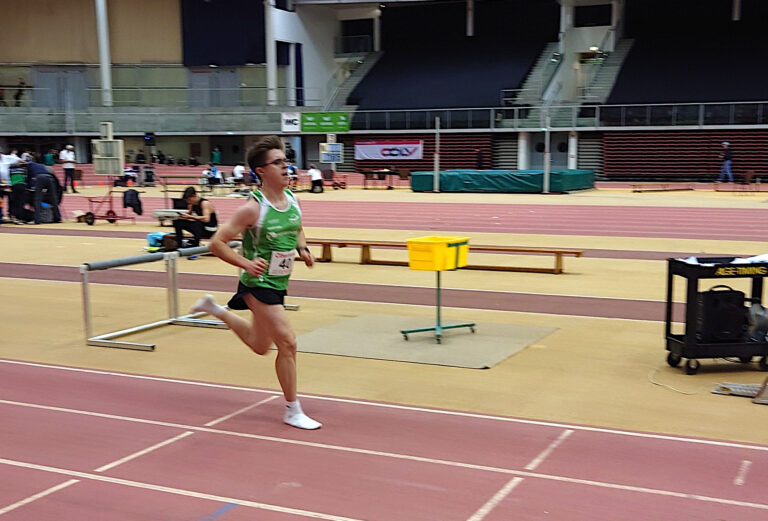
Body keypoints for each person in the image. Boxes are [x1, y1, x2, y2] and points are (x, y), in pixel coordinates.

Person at [189, 135, 321, 430]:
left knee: (260, 346)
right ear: (261, 171)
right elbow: (216, 243)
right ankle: (292, 409)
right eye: (278, 163)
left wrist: (303, 249)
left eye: (286, 161)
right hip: (257, 283)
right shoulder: (252, 208)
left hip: (278, 282)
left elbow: (297, 227)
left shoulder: (293, 200)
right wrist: (246, 263)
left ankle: (215, 309)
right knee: (288, 342)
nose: (286, 168)